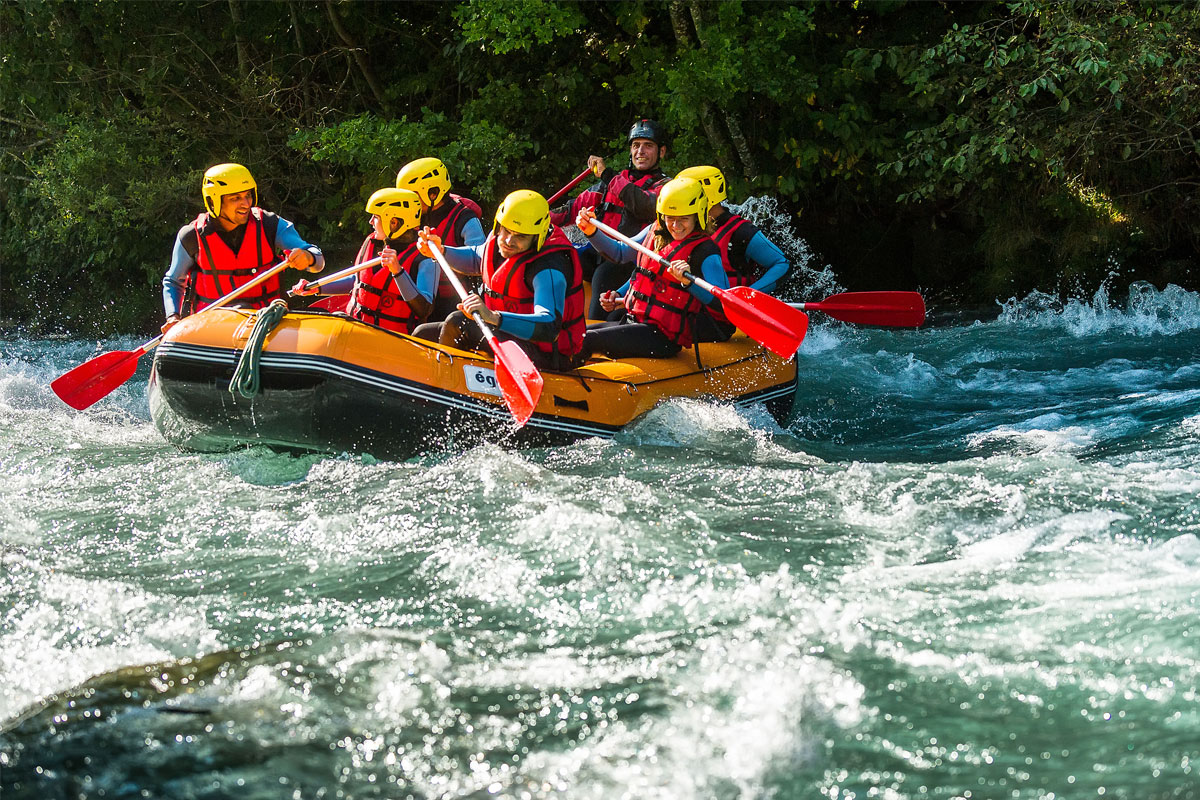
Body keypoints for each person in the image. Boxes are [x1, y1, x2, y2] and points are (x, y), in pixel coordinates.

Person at [412, 189, 584, 371]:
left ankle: (445, 380)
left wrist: (493, 317)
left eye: (521, 236)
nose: (509, 240)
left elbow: (549, 326)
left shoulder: (548, 267)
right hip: (506, 334)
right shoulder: (499, 241)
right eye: (506, 231)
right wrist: (440, 251)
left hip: (548, 356)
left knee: (458, 322)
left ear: (537, 237)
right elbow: (477, 258)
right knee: (424, 333)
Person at [575, 176, 730, 360]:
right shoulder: (654, 231)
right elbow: (620, 253)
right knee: (572, 335)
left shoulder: (705, 251)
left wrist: (688, 283)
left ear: (699, 215)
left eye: (684, 219)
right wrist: (592, 232)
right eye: (670, 218)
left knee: (587, 339)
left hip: (662, 337)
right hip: (634, 322)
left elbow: (723, 304)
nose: (675, 225)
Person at [162, 163, 323, 334]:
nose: (246, 204)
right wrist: (173, 317)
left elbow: (318, 261)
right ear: (213, 201)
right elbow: (174, 281)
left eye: (248, 196)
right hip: (213, 328)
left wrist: (308, 257)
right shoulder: (191, 236)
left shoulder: (270, 225)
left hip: (266, 324)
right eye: (235, 198)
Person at [549, 118, 671, 319]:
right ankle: (551, 318)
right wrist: (540, 216)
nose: (640, 151)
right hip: (600, 253)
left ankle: (594, 333)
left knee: (604, 275)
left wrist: (608, 175)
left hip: (630, 261)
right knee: (560, 259)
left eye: (648, 146)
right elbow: (573, 209)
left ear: (662, 152)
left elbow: (644, 205)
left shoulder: (665, 187)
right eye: (636, 145)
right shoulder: (613, 182)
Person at [291, 188, 434, 333]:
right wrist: (318, 287)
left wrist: (398, 272)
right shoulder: (371, 241)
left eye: (376, 217)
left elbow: (424, 309)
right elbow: (359, 280)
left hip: (393, 340)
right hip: (357, 328)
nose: (370, 221)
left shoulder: (425, 255)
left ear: (394, 222)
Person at [395, 157, 485, 322]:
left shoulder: (465, 219)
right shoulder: (413, 217)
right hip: (419, 295)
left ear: (432, 193)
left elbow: (481, 263)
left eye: (413, 197)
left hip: (455, 301)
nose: (407, 203)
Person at [677, 165, 790, 295]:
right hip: (692, 310)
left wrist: (749, 295)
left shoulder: (741, 231)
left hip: (727, 310)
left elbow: (782, 264)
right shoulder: (682, 227)